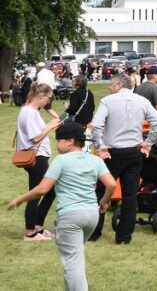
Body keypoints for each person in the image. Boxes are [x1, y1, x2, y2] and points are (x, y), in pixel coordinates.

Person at [6, 122, 116, 291]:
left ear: (70, 141)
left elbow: (42, 189)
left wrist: (20, 199)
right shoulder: (95, 160)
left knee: (73, 263)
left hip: (70, 216)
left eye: (58, 140)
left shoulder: (61, 161)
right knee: (75, 258)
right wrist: (103, 201)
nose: (56, 144)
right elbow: (111, 185)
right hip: (91, 216)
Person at [89, 73, 157, 244]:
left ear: (117, 85)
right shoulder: (141, 101)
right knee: (130, 196)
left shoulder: (108, 101)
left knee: (100, 191)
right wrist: (148, 143)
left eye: (110, 86)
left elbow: (96, 125)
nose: (109, 89)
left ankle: (94, 231)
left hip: (112, 152)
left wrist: (99, 145)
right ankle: (123, 237)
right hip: (133, 151)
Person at [16, 82, 62, 241]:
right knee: (36, 193)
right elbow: (35, 138)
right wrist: (50, 125)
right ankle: (30, 232)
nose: (48, 102)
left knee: (49, 192)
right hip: (36, 158)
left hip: (39, 157)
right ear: (41, 96)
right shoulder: (29, 112)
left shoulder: (31, 111)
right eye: (48, 98)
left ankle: (38, 227)